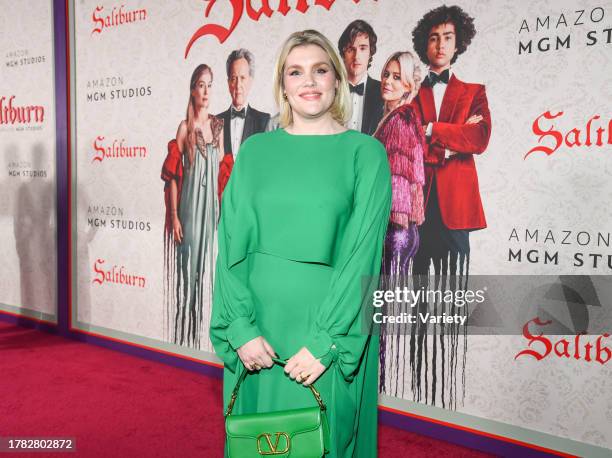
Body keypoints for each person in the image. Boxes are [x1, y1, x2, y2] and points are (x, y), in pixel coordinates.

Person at [210, 29, 391, 457]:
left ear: (337, 79)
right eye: (296, 72)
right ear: (283, 85)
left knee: (321, 443)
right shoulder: (255, 151)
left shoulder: (365, 154)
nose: (309, 82)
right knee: (258, 444)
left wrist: (328, 342)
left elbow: (363, 259)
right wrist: (240, 328)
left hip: (327, 328)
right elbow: (229, 243)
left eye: (320, 70)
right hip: (258, 331)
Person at [411, 5, 491, 277]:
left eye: (447, 37)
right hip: (417, 205)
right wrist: (454, 141)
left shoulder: (474, 93)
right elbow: (409, 145)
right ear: (425, 44)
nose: (440, 44)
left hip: (456, 208)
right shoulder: (410, 94)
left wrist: (431, 128)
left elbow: (478, 139)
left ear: (458, 44)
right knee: (416, 296)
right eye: (434, 37)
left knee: (454, 297)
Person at [372, 51, 426, 394]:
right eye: (386, 75)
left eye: (396, 77)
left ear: (408, 85)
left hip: (396, 230)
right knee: (380, 314)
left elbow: (401, 182)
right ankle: (377, 385)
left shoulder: (401, 122)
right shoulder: (395, 119)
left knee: (381, 315)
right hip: (397, 231)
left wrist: (391, 225)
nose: (388, 82)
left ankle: (377, 389)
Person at [161, 64, 224, 349]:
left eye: (210, 84)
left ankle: (204, 341)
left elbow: (222, 176)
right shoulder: (184, 127)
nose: (206, 90)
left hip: (211, 212)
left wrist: (225, 213)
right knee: (189, 275)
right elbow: (173, 178)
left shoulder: (217, 127)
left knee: (209, 273)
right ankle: (184, 338)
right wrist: (175, 217)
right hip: (188, 210)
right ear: (192, 89)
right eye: (201, 84)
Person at [217, 49, 270, 200]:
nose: (238, 85)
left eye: (243, 78)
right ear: (228, 83)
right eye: (233, 78)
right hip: (221, 205)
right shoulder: (215, 122)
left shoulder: (265, 121)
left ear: (251, 81)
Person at [338, 19, 384, 135]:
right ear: (343, 54)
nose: (356, 56)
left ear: (370, 52)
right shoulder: (329, 90)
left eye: (363, 48)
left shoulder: (384, 92)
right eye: (350, 49)